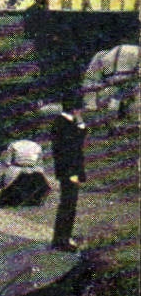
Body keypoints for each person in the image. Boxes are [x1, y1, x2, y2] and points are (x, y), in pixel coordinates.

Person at [49, 99, 86, 251]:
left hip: (69, 170)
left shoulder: (62, 122)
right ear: (75, 109)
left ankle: (63, 237)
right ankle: (62, 240)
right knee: (68, 205)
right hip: (69, 171)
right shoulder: (65, 124)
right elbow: (71, 149)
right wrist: (72, 173)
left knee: (68, 204)